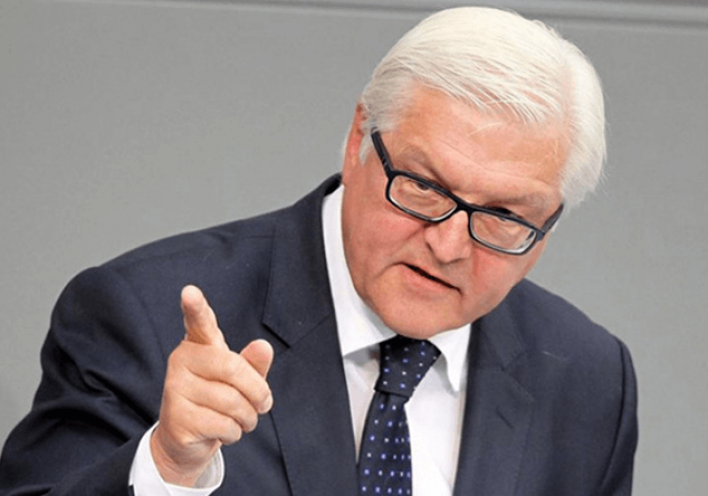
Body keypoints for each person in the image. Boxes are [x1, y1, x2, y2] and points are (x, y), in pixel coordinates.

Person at [0, 6, 637, 496]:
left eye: (501, 217)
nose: (448, 246)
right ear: (359, 139)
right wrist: (165, 466)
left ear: (549, 224)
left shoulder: (588, 379)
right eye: (422, 186)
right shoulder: (140, 314)